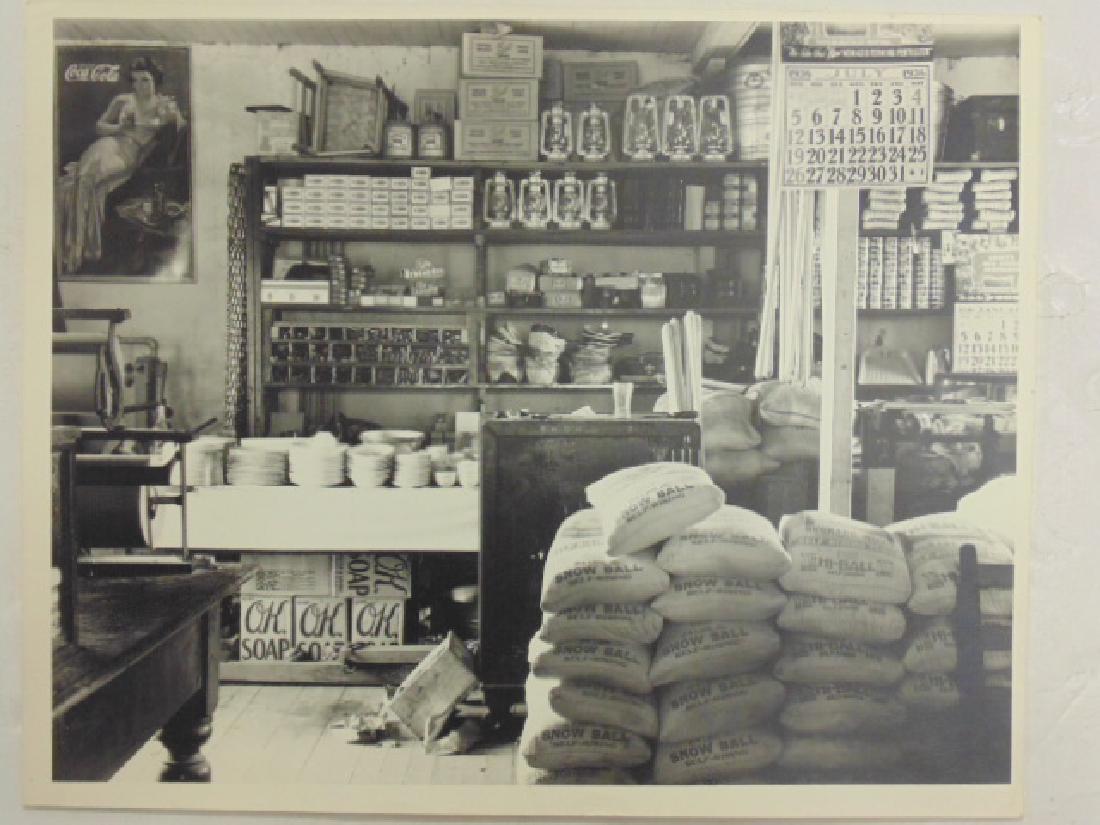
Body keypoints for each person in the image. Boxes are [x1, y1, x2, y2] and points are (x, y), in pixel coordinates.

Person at [55, 56, 186, 274]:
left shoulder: (166, 105)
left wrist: (175, 117)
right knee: (83, 178)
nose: (139, 85)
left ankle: (81, 248)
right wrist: (119, 127)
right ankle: (77, 248)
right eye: (135, 80)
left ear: (156, 80)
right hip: (109, 143)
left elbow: (182, 129)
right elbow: (100, 126)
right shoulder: (123, 100)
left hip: (130, 155)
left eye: (145, 80)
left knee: (86, 180)